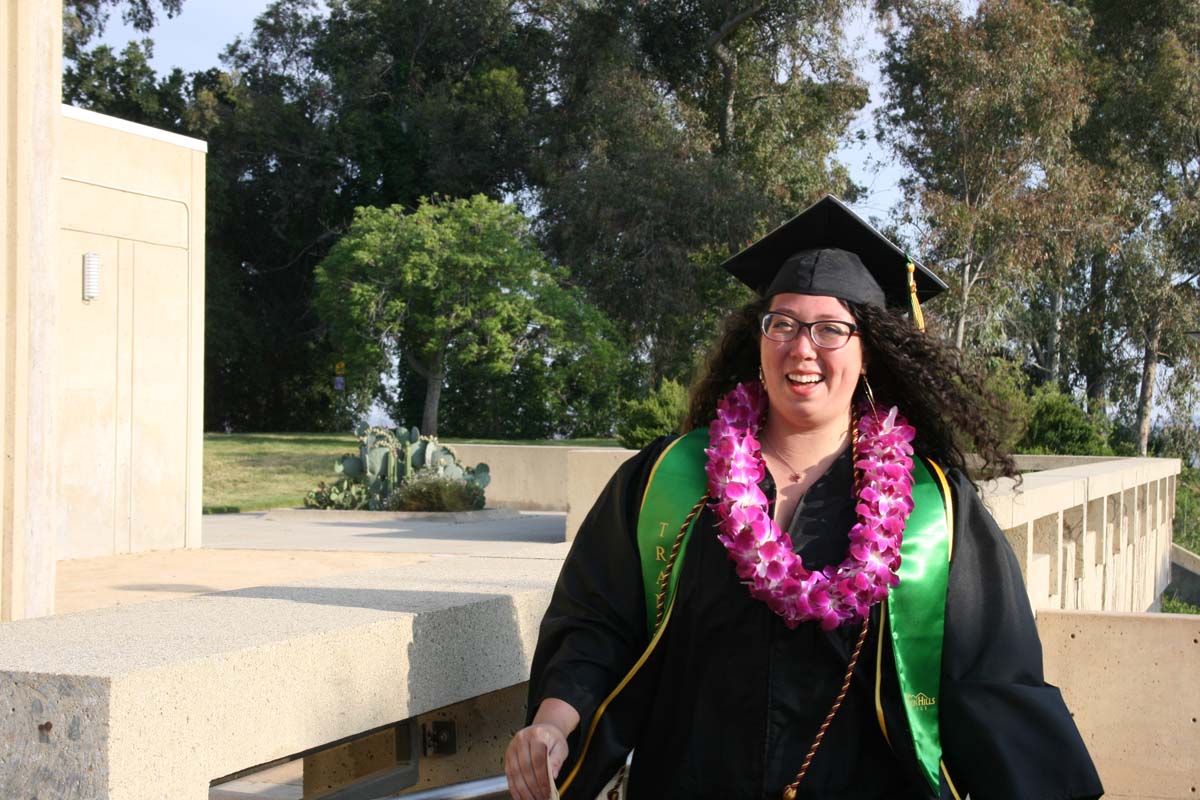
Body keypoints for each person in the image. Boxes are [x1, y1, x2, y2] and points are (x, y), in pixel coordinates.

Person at [505, 196, 1103, 800]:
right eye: (783, 323)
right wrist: (554, 723)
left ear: (868, 351)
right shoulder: (668, 479)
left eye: (831, 329)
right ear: (758, 337)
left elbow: (992, 680)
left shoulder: (934, 511)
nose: (802, 347)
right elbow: (596, 622)